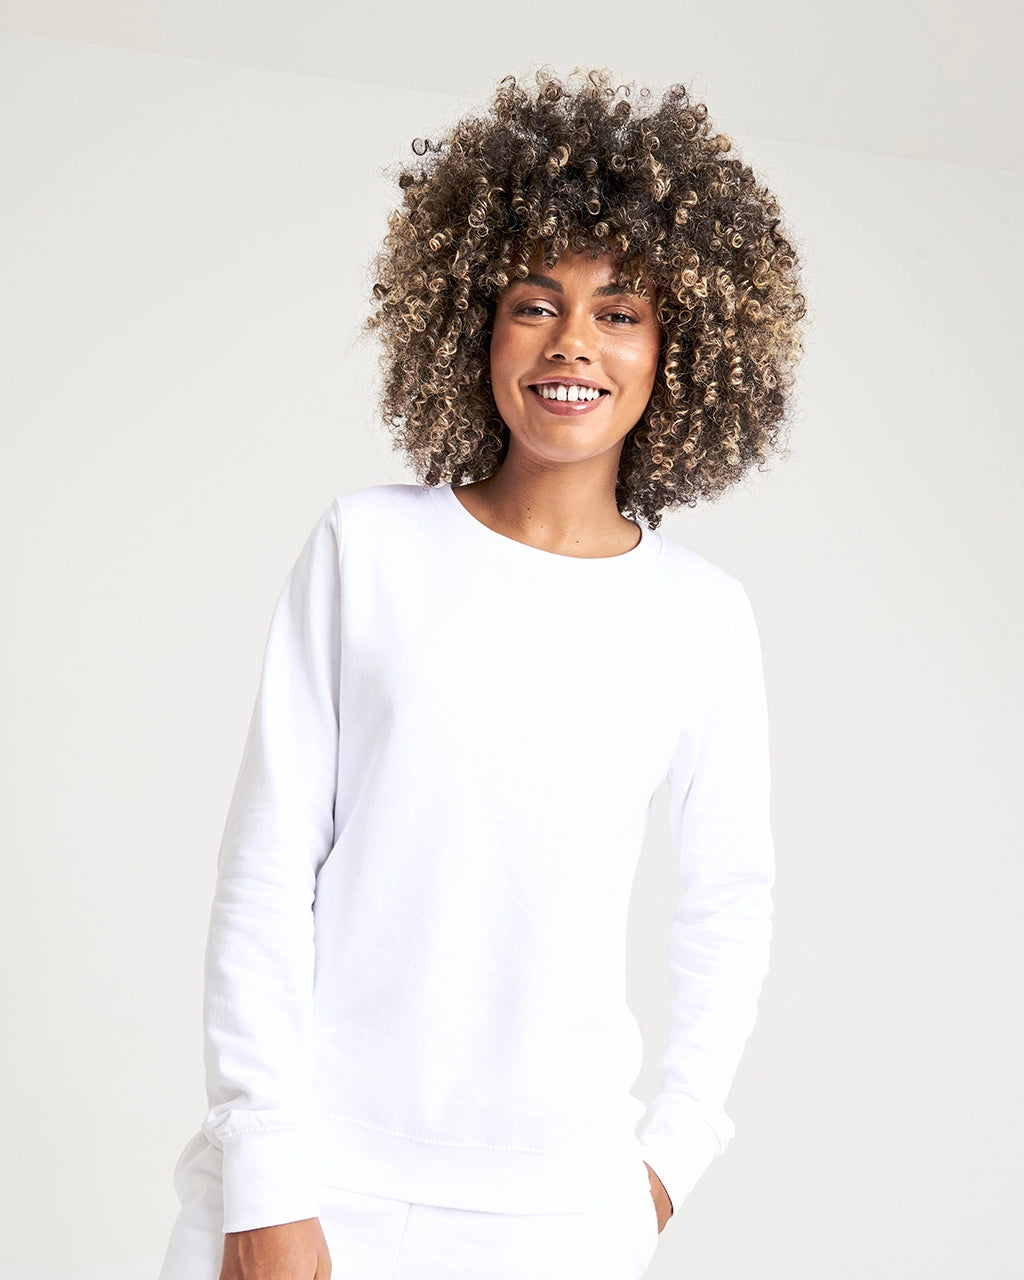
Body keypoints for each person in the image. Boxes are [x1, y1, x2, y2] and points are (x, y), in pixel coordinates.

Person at [158, 65, 806, 1280]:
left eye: (620, 310)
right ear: (472, 324)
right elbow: (267, 866)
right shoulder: (367, 548)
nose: (573, 344)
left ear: (679, 348)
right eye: (533, 302)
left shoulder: (701, 618)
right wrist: (265, 1172)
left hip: (556, 1215)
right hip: (316, 1175)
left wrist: (668, 1160)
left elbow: (731, 902)